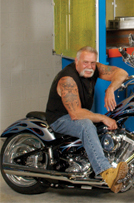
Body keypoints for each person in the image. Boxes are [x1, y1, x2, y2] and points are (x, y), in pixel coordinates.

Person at [46, 46, 129, 193]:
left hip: (79, 113)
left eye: (92, 63)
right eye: (85, 62)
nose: (89, 67)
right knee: (86, 125)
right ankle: (106, 173)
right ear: (77, 61)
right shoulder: (67, 79)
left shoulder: (93, 69)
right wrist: (102, 117)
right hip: (60, 118)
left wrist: (110, 89)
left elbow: (122, 73)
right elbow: (76, 114)